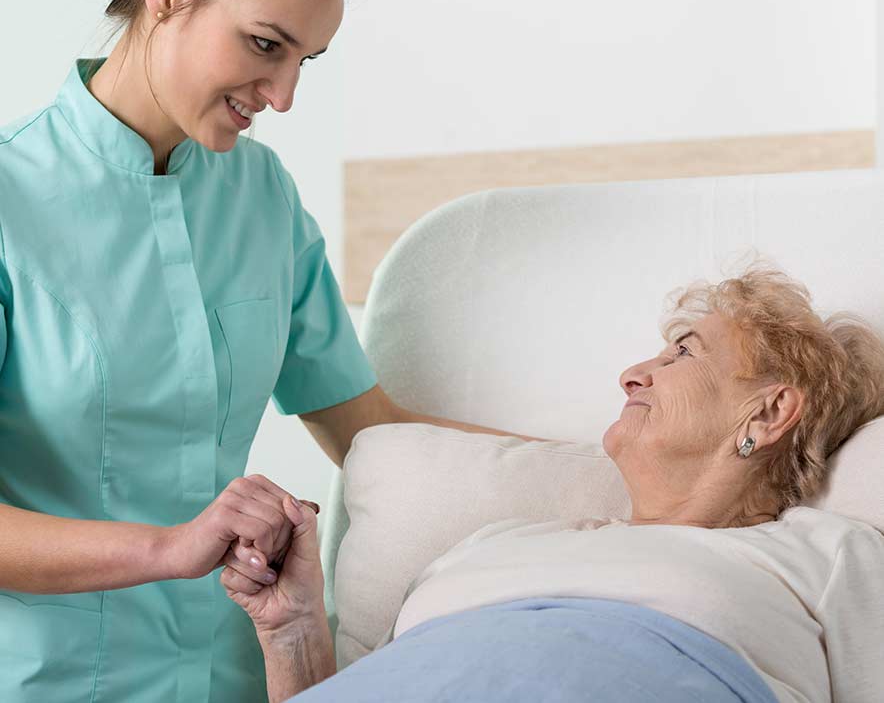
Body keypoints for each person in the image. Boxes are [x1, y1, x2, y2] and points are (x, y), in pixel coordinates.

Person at [0, 0, 540, 701]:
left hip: (239, 679)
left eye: (305, 61)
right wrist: (169, 549)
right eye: (265, 45)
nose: (284, 96)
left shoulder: (263, 197)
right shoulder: (10, 202)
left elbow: (374, 432)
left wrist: (633, 476)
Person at [224, 267, 884, 702]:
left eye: (681, 353)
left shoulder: (822, 555)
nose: (632, 374)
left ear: (769, 412)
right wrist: (294, 630)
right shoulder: (490, 544)